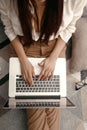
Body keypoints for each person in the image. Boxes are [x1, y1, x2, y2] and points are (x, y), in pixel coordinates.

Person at [0, 0, 86, 130]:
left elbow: (70, 26)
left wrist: (53, 58)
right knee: (37, 105)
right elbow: (9, 27)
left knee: (52, 99)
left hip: (55, 45)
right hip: (25, 45)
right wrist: (23, 60)